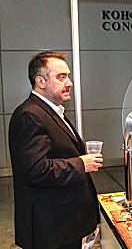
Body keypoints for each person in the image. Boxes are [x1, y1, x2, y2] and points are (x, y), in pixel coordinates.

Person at [9, 51, 103, 249]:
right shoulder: (30, 115)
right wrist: (81, 163)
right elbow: (35, 170)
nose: (69, 83)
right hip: (51, 229)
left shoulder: (52, 111)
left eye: (68, 76)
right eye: (61, 77)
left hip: (65, 224)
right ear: (40, 81)